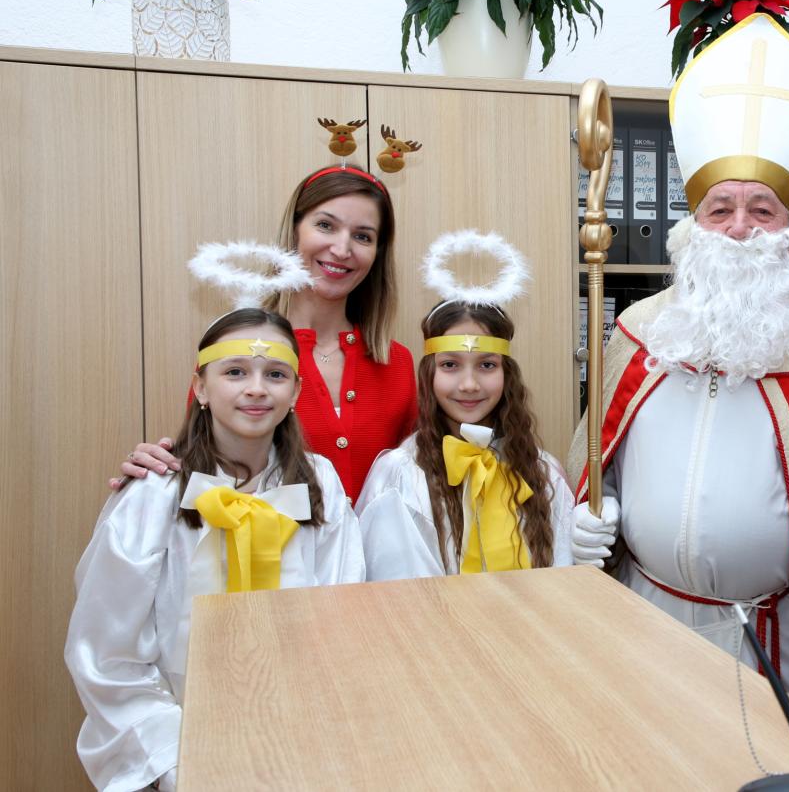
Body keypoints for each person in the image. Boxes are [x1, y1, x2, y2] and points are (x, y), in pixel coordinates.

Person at [567, 14, 789, 740]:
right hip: (644, 621)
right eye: (721, 208)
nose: (740, 226)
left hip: (772, 645)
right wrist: (584, 520)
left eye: (762, 209)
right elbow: (595, 465)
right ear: (693, 226)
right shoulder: (639, 330)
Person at [66, 308, 365, 792]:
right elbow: (108, 654)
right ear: (201, 388)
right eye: (235, 372)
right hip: (180, 751)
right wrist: (179, 763)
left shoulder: (321, 486)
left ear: (296, 392)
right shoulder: (154, 494)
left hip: (303, 742)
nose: (256, 389)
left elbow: (340, 614)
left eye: (275, 375)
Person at [114, 165, 418, 501]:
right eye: (325, 225)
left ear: (377, 253)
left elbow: (418, 476)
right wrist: (159, 470)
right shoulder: (235, 348)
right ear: (294, 230)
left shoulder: (397, 362)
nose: (342, 249)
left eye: (363, 236)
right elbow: (202, 468)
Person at [357, 232, 572, 577]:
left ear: (506, 374)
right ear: (429, 374)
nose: (469, 384)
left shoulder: (543, 474)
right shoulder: (400, 477)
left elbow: (561, 575)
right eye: (450, 365)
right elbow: (397, 585)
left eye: (486, 365)